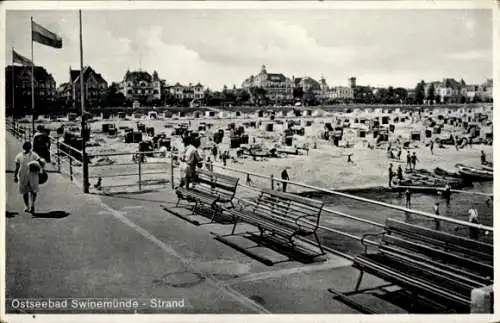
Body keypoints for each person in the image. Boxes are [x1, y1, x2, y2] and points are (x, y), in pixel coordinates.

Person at [14, 141, 45, 214]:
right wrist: (15, 176)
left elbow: (40, 162)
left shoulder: (33, 155)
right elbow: (17, 167)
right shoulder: (20, 156)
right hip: (25, 175)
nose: (27, 149)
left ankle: (31, 205)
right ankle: (29, 205)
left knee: (31, 191)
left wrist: (41, 168)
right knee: (27, 191)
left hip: (30, 175)